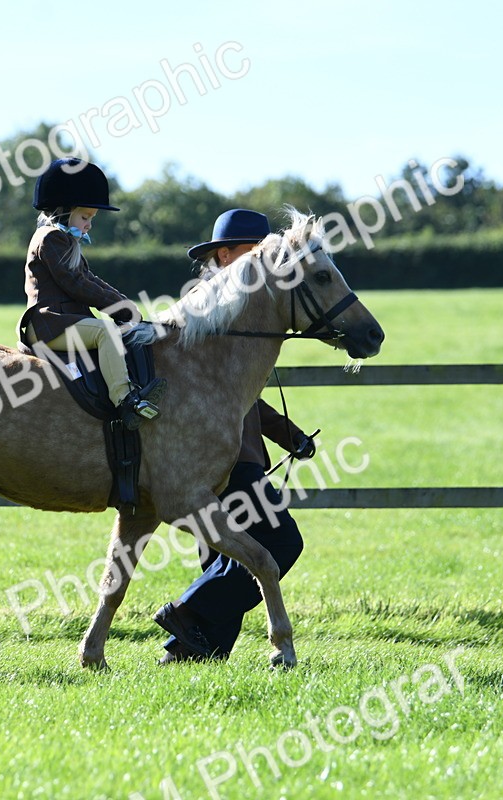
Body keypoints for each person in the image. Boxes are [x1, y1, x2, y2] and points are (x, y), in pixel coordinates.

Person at [153, 209, 316, 664]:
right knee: (280, 544)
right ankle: (185, 615)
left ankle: (187, 653)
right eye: (253, 252)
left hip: (234, 455)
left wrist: (291, 436)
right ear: (224, 256)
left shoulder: (248, 311)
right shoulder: (207, 313)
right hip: (221, 459)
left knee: (226, 560)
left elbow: (247, 399)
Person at [17, 158, 166, 430]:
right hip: (49, 324)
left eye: (91, 219)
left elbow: (90, 279)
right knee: (105, 333)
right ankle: (126, 401)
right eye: (85, 217)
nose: (89, 225)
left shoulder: (64, 241)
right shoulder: (50, 238)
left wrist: (125, 306)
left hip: (63, 322)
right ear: (64, 211)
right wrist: (121, 311)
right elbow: (76, 284)